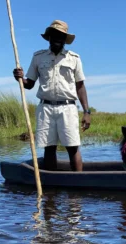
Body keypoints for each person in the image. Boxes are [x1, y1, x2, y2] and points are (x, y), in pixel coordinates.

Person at [13, 20, 91, 172]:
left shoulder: (74, 58)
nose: (57, 39)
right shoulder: (38, 57)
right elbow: (29, 84)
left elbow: (80, 86)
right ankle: (51, 191)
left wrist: (86, 112)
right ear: (49, 37)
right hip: (45, 108)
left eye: (61, 36)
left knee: (72, 147)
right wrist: (20, 78)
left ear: (65, 40)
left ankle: (77, 186)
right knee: (49, 148)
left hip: (68, 108)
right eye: (54, 35)